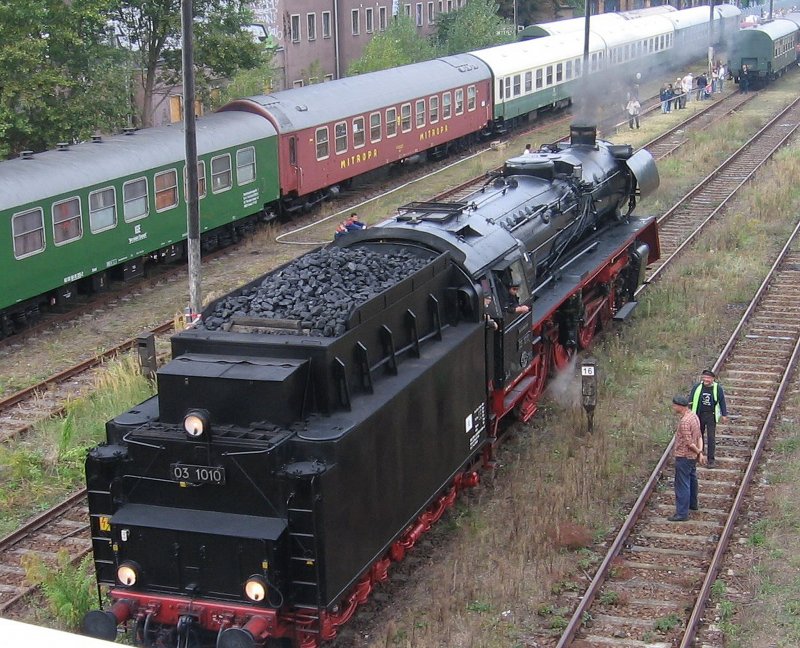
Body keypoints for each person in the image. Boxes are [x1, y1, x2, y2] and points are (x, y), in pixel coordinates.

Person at [669, 395, 703, 522]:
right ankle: (693, 504)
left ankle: (682, 513)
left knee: (682, 484)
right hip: (692, 457)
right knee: (692, 478)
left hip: (683, 455)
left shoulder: (684, 422)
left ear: (679, 406)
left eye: (674, 405)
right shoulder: (693, 416)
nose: (673, 407)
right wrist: (700, 452)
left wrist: (698, 452)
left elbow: (689, 443)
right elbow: (699, 436)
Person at [688, 369, 729, 468]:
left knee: (711, 437)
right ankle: (699, 455)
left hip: (711, 415)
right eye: (704, 377)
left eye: (708, 378)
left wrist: (724, 414)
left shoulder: (717, 388)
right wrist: (688, 413)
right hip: (698, 415)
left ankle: (711, 460)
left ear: (712, 379)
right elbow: (691, 400)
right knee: (698, 436)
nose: (706, 380)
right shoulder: (697, 387)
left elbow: (722, 401)